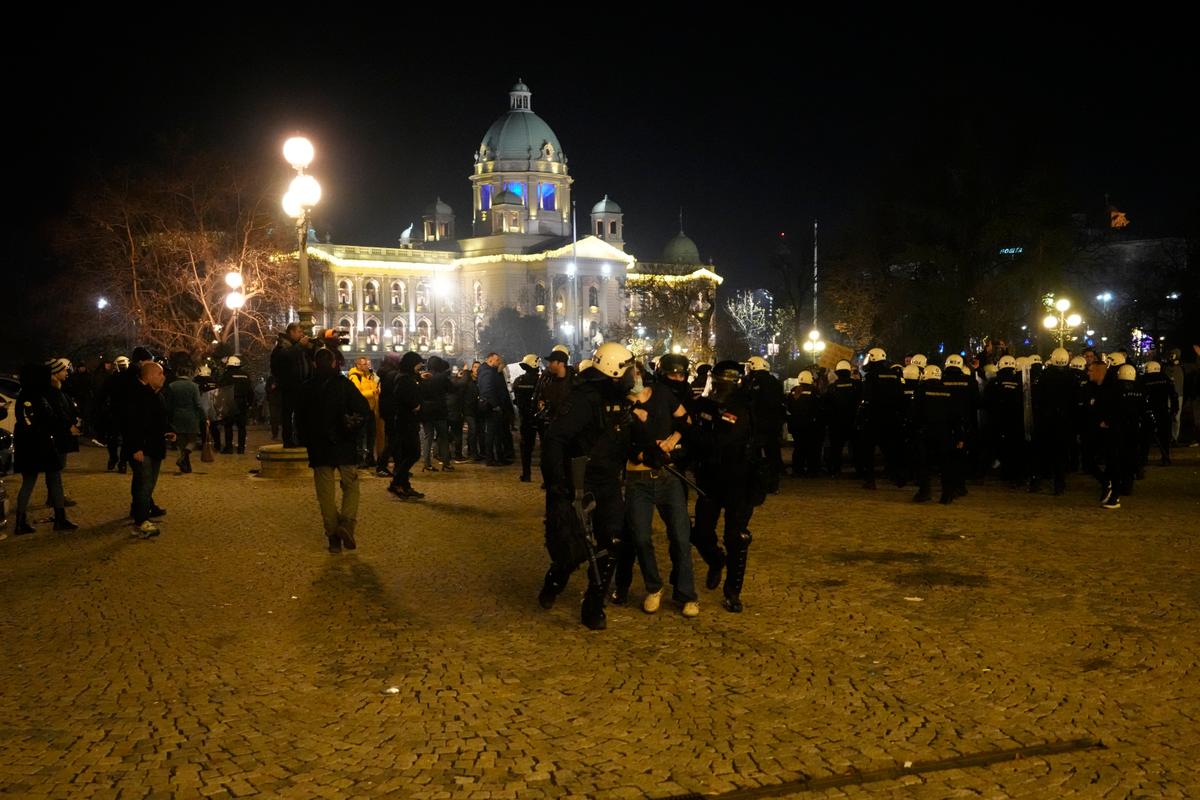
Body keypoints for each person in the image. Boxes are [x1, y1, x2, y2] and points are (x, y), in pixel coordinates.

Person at [538, 342, 636, 630]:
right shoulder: (585, 399)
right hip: (579, 482)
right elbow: (555, 439)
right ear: (614, 370)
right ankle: (555, 580)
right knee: (573, 547)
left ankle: (594, 605)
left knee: (613, 542)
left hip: (607, 482)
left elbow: (626, 437)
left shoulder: (623, 399)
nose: (634, 375)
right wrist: (557, 485)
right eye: (629, 369)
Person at [619, 360, 698, 617]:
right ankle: (654, 587)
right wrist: (642, 454)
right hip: (637, 479)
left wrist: (672, 440)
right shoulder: (622, 405)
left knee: (680, 536)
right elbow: (618, 442)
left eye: (635, 373)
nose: (633, 379)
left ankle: (687, 594)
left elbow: (685, 419)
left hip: (667, 476)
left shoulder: (662, 394)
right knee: (641, 537)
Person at [689, 360, 763, 613]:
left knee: (736, 537)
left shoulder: (741, 407)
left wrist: (694, 438)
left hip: (738, 481)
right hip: (710, 479)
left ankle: (733, 592)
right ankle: (715, 560)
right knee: (699, 533)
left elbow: (719, 440)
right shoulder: (706, 404)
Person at [299, 347, 371, 553]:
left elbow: (300, 420)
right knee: (351, 486)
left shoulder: (307, 388)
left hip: (319, 447)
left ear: (314, 364)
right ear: (333, 363)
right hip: (344, 444)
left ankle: (333, 537)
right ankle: (346, 524)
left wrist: (307, 441)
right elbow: (363, 409)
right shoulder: (344, 385)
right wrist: (353, 431)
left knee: (325, 495)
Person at [10, 363, 78, 535]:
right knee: (55, 478)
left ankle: (20, 521)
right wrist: (65, 426)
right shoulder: (38, 396)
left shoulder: (23, 395)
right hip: (41, 444)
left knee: (28, 482)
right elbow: (49, 418)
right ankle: (60, 518)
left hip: (26, 444)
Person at [123, 361, 175, 537]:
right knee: (144, 483)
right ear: (151, 376)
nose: (163, 378)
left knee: (147, 483)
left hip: (154, 447)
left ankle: (140, 512)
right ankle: (141, 521)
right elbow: (131, 423)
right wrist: (136, 447)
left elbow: (158, 418)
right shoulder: (136, 395)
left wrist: (167, 430)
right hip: (143, 448)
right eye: (160, 374)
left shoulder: (156, 394)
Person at [910, 365, 964, 504]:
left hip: (925, 433)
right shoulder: (948, 391)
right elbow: (955, 416)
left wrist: (914, 431)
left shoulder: (921, 391)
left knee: (924, 464)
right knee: (946, 464)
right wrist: (959, 436)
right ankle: (947, 494)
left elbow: (915, 414)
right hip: (945, 433)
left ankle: (924, 492)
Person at [385, 352, 426, 499]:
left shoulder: (405, 377)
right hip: (406, 421)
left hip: (406, 420)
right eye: (418, 363)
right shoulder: (404, 379)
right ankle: (396, 483)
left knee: (406, 454)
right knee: (414, 453)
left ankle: (404, 485)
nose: (420, 366)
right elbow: (408, 398)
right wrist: (416, 405)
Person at [744, 356, 785, 492]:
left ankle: (756, 484)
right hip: (773, 425)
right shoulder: (775, 382)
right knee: (773, 454)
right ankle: (773, 484)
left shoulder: (752, 381)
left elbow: (749, 401)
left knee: (753, 455)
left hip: (757, 425)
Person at [270, 323, 314, 447]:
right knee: (288, 414)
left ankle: (301, 439)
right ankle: (288, 440)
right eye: (299, 332)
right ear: (291, 332)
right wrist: (300, 346)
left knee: (301, 413)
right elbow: (285, 357)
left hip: (301, 385)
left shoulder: (296, 347)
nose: (302, 334)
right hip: (289, 386)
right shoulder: (282, 346)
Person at [824, 360, 861, 477]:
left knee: (836, 449)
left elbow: (826, 406)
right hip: (854, 422)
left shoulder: (831, 387)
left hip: (836, 424)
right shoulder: (857, 385)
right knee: (857, 448)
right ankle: (860, 470)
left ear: (837, 372)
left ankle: (835, 470)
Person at [165, 364, 203, 473]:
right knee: (192, 441)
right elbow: (198, 404)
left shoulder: (172, 386)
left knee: (181, 443)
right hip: (191, 416)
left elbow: (169, 404)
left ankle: (186, 466)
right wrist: (204, 416)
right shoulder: (194, 386)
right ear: (189, 374)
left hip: (177, 416)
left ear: (178, 374)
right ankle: (184, 459)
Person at [785, 370, 824, 478]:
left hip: (796, 425)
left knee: (798, 448)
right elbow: (819, 408)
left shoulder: (793, 391)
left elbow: (789, 408)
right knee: (812, 448)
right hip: (811, 425)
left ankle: (798, 469)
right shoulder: (814, 391)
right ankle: (812, 470)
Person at [418, 355, 453, 472]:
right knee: (443, 437)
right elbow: (452, 389)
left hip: (426, 411)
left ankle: (427, 463)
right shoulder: (441, 378)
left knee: (428, 437)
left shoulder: (423, 377)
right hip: (439, 411)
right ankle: (446, 463)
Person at [476, 353, 510, 466]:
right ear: (491, 360)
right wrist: (495, 405)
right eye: (497, 360)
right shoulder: (488, 372)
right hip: (492, 407)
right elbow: (488, 390)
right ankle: (490, 459)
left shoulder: (487, 371)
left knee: (496, 433)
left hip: (492, 406)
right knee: (492, 433)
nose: (499, 362)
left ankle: (498, 457)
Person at [1141, 361, 1178, 465]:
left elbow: (1140, 396)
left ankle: (1144, 458)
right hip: (1163, 410)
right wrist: (1175, 409)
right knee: (1164, 436)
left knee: (1145, 436)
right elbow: (1173, 395)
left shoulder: (1144, 379)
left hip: (1148, 411)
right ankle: (1165, 457)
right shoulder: (1165, 378)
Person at [512, 354, 541, 482]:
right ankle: (546, 479)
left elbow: (516, 400)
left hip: (525, 419)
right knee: (545, 449)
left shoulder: (519, 381)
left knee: (526, 448)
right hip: (540, 418)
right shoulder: (542, 381)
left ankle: (526, 474)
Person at [348, 357, 381, 468]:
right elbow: (358, 393)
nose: (367, 366)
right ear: (358, 365)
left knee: (371, 434)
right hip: (361, 410)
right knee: (360, 435)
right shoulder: (354, 376)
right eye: (364, 364)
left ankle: (370, 457)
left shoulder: (369, 376)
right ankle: (360, 458)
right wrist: (373, 392)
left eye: (368, 364)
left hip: (370, 409)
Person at [218, 355, 253, 454]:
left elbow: (221, 390)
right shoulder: (246, 375)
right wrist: (249, 404)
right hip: (243, 403)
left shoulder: (226, 375)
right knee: (242, 427)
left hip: (230, 403)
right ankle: (241, 449)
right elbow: (250, 391)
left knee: (228, 426)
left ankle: (228, 448)